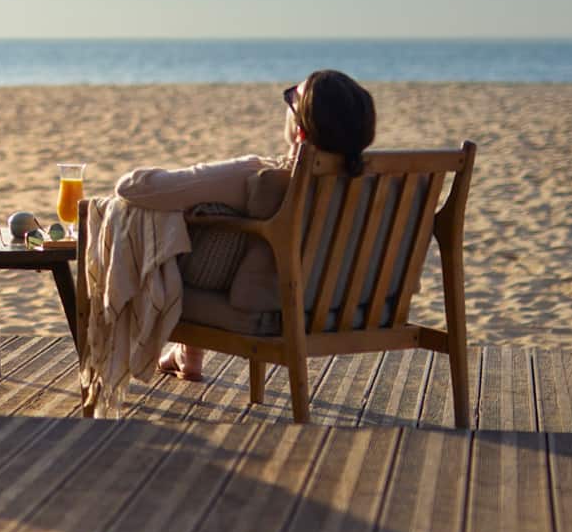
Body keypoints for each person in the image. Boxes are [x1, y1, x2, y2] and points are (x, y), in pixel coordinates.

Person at [113, 69, 377, 382]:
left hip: (270, 309)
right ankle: (188, 353)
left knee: (136, 214)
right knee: (213, 224)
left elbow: (133, 188)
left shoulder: (260, 176)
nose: (287, 102)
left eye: (292, 99)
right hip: (354, 305)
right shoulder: (382, 185)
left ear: (301, 132)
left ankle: (150, 353)